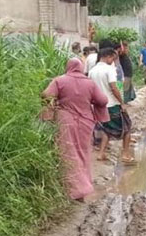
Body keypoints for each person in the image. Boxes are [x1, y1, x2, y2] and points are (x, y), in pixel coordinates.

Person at [41, 58, 109, 202]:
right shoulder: (90, 83)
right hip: (85, 122)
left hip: (65, 121)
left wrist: (55, 105)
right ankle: (82, 190)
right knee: (83, 153)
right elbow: (103, 100)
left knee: (68, 153)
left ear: (68, 67)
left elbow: (46, 95)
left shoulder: (59, 80)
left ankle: (72, 190)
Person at [88, 47, 135, 164]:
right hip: (112, 104)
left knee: (106, 129)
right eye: (112, 59)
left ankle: (101, 153)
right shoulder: (109, 69)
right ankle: (125, 154)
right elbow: (114, 88)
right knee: (127, 128)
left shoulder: (92, 71)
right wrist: (122, 102)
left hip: (99, 105)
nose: (113, 61)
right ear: (108, 56)